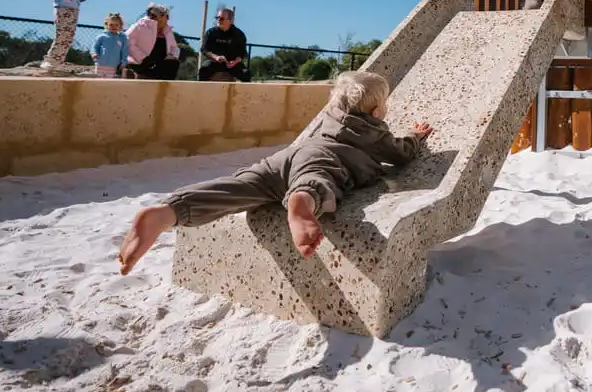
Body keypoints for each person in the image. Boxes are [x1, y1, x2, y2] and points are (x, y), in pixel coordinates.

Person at [117, 70, 433, 274]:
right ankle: (300, 204)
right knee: (316, 183)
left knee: (242, 184)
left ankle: (168, 211)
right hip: (327, 161)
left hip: (287, 157)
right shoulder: (374, 132)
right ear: (378, 112)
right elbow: (401, 155)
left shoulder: (331, 117)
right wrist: (416, 137)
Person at [125, 4, 182, 80]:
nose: (168, 19)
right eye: (167, 16)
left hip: (159, 65)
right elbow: (127, 42)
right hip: (140, 63)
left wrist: (172, 56)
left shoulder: (167, 30)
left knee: (173, 64)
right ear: (158, 17)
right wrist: (143, 58)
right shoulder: (140, 26)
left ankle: (164, 89)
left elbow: (174, 47)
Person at [198, 7, 249, 82]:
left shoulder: (239, 34)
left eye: (221, 18)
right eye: (217, 17)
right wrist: (216, 57)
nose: (218, 20)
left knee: (246, 73)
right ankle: (202, 92)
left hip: (232, 64)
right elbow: (204, 49)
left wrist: (234, 62)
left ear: (230, 21)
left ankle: (245, 93)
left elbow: (242, 53)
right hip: (215, 62)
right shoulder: (211, 32)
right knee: (204, 69)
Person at [92, 13, 128, 78]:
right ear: (106, 25)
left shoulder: (122, 38)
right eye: (111, 25)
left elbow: (124, 51)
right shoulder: (102, 36)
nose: (114, 27)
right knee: (98, 81)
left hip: (113, 65)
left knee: (109, 82)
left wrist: (124, 61)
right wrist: (94, 53)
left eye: (116, 25)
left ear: (120, 26)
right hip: (100, 63)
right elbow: (95, 46)